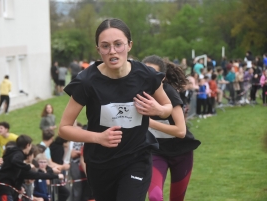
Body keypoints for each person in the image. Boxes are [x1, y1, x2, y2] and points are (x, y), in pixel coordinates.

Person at [59, 18, 172, 201]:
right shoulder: (87, 82)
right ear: (98, 50)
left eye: (118, 44)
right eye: (105, 46)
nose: (112, 51)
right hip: (101, 165)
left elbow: (168, 109)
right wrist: (98, 137)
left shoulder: (146, 76)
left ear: (129, 45)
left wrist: (157, 109)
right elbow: (64, 128)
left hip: (136, 159)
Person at [141, 56, 200, 201]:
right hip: (156, 152)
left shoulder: (169, 93)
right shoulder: (137, 93)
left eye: (153, 73)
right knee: (154, 197)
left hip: (181, 153)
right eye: (145, 72)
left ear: (162, 77)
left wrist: (150, 123)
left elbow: (181, 131)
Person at [0, 135, 63, 201]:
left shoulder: (14, 158)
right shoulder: (18, 154)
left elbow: (35, 175)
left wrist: (55, 176)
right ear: (28, 145)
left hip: (6, 190)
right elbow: (15, 161)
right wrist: (27, 166)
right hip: (3, 191)